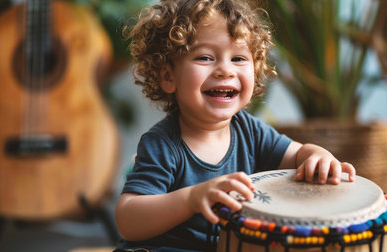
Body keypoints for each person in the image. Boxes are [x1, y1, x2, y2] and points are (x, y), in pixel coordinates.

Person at [115, 0, 356, 251]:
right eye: (205, 57)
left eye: (239, 58)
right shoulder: (163, 144)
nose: (225, 70)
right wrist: (192, 199)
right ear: (168, 77)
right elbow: (128, 219)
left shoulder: (250, 131)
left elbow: (297, 155)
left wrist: (318, 155)